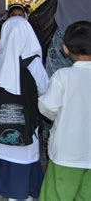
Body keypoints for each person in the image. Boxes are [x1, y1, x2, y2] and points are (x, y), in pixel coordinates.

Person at [0, 17, 49, 200]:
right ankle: (18, 193)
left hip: (1, 116)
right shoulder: (33, 62)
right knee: (24, 152)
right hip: (26, 119)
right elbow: (44, 88)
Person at [38, 21, 91, 201]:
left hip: (67, 154)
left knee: (57, 195)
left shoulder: (63, 76)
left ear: (65, 48)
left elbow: (48, 108)